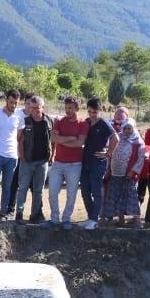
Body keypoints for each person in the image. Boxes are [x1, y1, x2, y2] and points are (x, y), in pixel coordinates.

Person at [45, 96, 85, 229]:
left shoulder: (82, 124)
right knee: (52, 191)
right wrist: (71, 138)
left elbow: (80, 143)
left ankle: (66, 219)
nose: (67, 110)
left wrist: (63, 140)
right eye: (66, 108)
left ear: (77, 108)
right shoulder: (59, 121)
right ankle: (55, 219)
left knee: (71, 193)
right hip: (58, 163)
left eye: (70, 108)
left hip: (75, 164)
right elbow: (54, 138)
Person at [78, 98, 117, 230]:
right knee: (84, 191)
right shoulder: (86, 122)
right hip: (85, 161)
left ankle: (95, 219)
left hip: (98, 163)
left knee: (96, 191)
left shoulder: (104, 123)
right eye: (89, 111)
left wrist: (108, 153)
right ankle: (90, 217)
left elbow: (115, 138)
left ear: (99, 110)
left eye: (94, 112)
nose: (91, 114)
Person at [0, 90, 23, 222]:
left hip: (12, 157)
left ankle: (3, 214)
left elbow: (19, 136)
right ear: (6, 99)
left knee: (7, 187)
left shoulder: (19, 115)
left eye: (16, 103)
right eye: (11, 102)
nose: (13, 105)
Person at [14, 95, 51, 225]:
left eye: (37, 108)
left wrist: (52, 155)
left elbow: (53, 140)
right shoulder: (25, 121)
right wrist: (21, 156)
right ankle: (19, 214)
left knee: (38, 190)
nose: (35, 110)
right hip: (27, 160)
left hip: (42, 161)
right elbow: (19, 139)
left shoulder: (49, 121)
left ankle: (35, 215)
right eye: (32, 108)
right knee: (22, 188)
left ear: (42, 107)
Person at [102, 120, 145, 226]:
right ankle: (121, 220)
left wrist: (133, 171)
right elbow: (110, 153)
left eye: (129, 128)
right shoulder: (118, 138)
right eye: (125, 128)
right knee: (117, 195)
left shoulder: (137, 141)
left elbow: (140, 159)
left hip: (128, 173)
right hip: (115, 172)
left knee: (131, 196)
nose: (127, 130)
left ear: (133, 128)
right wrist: (108, 169)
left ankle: (137, 220)